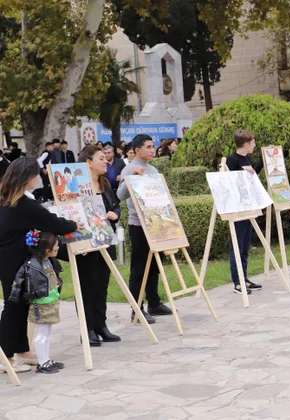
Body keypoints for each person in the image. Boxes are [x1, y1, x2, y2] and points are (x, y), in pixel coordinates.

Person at [0, 157, 77, 373]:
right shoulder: (23, 203)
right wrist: (74, 224)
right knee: (13, 305)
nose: (39, 177)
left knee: (21, 303)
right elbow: (53, 223)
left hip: (12, 258)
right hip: (13, 260)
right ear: (28, 177)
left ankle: (21, 350)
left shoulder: (9, 197)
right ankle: (5, 356)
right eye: (37, 174)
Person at [117, 134, 173, 324]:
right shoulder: (129, 169)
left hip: (155, 222)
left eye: (152, 146)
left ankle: (154, 303)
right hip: (138, 225)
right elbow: (120, 195)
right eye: (148, 147)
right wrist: (132, 178)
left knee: (155, 265)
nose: (152, 150)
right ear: (137, 150)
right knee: (139, 268)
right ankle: (137, 308)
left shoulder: (153, 169)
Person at [74, 145, 123, 345]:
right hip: (85, 242)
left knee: (101, 285)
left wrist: (115, 214)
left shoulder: (105, 183)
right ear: (88, 163)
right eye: (101, 158)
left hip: (105, 239)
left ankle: (101, 325)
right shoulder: (76, 186)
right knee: (86, 285)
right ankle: (88, 329)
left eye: (106, 158)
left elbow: (116, 206)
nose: (106, 161)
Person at [10, 231, 65, 373]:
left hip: (50, 302)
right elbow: (23, 284)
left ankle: (46, 359)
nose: (58, 249)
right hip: (41, 304)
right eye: (56, 247)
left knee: (47, 333)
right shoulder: (33, 266)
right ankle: (42, 362)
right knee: (42, 334)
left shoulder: (48, 261)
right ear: (47, 250)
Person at [224, 130, 265, 294]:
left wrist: (262, 162)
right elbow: (230, 182)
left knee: (245, 245)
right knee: (237, 245)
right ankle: (237, 282)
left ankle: (244, 277)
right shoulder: (232, 160)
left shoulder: (247, 158)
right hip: (236, 209)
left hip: (248, 206)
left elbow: (252, 176)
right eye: (253, 143)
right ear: (246, 144)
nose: (254, 145)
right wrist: (243, 173)